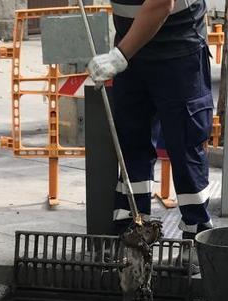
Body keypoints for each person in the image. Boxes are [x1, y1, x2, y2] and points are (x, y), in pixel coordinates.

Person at [88, 0, 214, 240]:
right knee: (131, 142)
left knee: (184, 145)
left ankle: (198, 234)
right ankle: (132, 231)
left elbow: (162, 3)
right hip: (133, 49)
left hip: (178, 49)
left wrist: (118, 56)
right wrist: (123, 54)